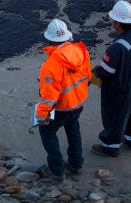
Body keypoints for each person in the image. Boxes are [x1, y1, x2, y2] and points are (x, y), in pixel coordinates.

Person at [91, 0, 131, 157]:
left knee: (115, 117)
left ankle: (109, 146)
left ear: (117, 23)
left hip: (120, 90)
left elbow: (104, 71)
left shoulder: (117, 48)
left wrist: (92, 74)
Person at [35, 19, 92, 180]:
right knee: (73, 129)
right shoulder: (81, 51)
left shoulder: (51, 65)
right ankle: (76, 164)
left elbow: (49, 97)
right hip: (78, 103)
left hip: (61, 108)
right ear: (67, 37)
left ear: (50, 39)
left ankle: (56, 170)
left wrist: (42, 116)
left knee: (47, 133)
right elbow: (88, 77)